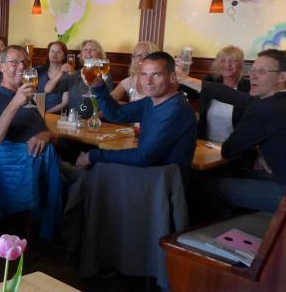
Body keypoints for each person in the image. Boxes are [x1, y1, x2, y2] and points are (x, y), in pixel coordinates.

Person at [179, 49, 285, 212]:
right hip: (278, 176)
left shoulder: (264, 108)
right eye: (252, 70)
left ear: (282, 77)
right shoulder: (273, 102)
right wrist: (185, 79)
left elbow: (229, 151)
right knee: (237, 172)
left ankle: (215, 227)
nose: (253, 76)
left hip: (282, 189)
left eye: (262, 71)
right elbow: (235, 97)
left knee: (209, 183)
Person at [75, 51, 196, 182]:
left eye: (156, 74)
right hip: (148, 175)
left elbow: (142, 157)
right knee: (89, 174)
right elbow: (116, 114)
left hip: (163, 184)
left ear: (172, 77)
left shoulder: (175, 109)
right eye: (144, 74)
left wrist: (92, 156)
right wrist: (98, 86)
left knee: (93, 173)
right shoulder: (151, 101)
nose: (148, 81)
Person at [0, 46, 61, 239]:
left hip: (47, 166)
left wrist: (45, 135)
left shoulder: (29, 98)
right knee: (85, 184)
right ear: (2, 66)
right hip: (26, 173)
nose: (21, 66)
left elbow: (54, 137)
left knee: (88, 178)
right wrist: (15, 102)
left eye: (25, 62)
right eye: (15, 62)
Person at [199, 46, 250, 142]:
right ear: (217, 64)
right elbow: (189, 93)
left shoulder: (249, 88)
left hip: (236, 146)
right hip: (206, 144)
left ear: (241, 64)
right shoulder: (210, 83)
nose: (227, 64)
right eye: (223, 60)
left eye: (234, 61)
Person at [59, 39, 114, 119]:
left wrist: (93, 119)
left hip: (95, 122)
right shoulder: (74, 74)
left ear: (100, 55)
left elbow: (109, 104)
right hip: (72, 121)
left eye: (93, 49)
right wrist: (61, 72)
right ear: (81, 55)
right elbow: (56, 90)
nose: (88, 52)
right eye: (85, 49)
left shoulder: (105, 76)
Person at [37, 40, 72, 112]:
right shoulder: (39, 70)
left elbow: (65, 103)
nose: (54, 54)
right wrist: (39, 114)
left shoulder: (68, 75)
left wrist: (46, 113)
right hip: (38, 110)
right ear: (48, 53)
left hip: (57, 114)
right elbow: (37, 95)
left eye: (59, 52)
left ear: (64, 56)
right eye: (52, 51)